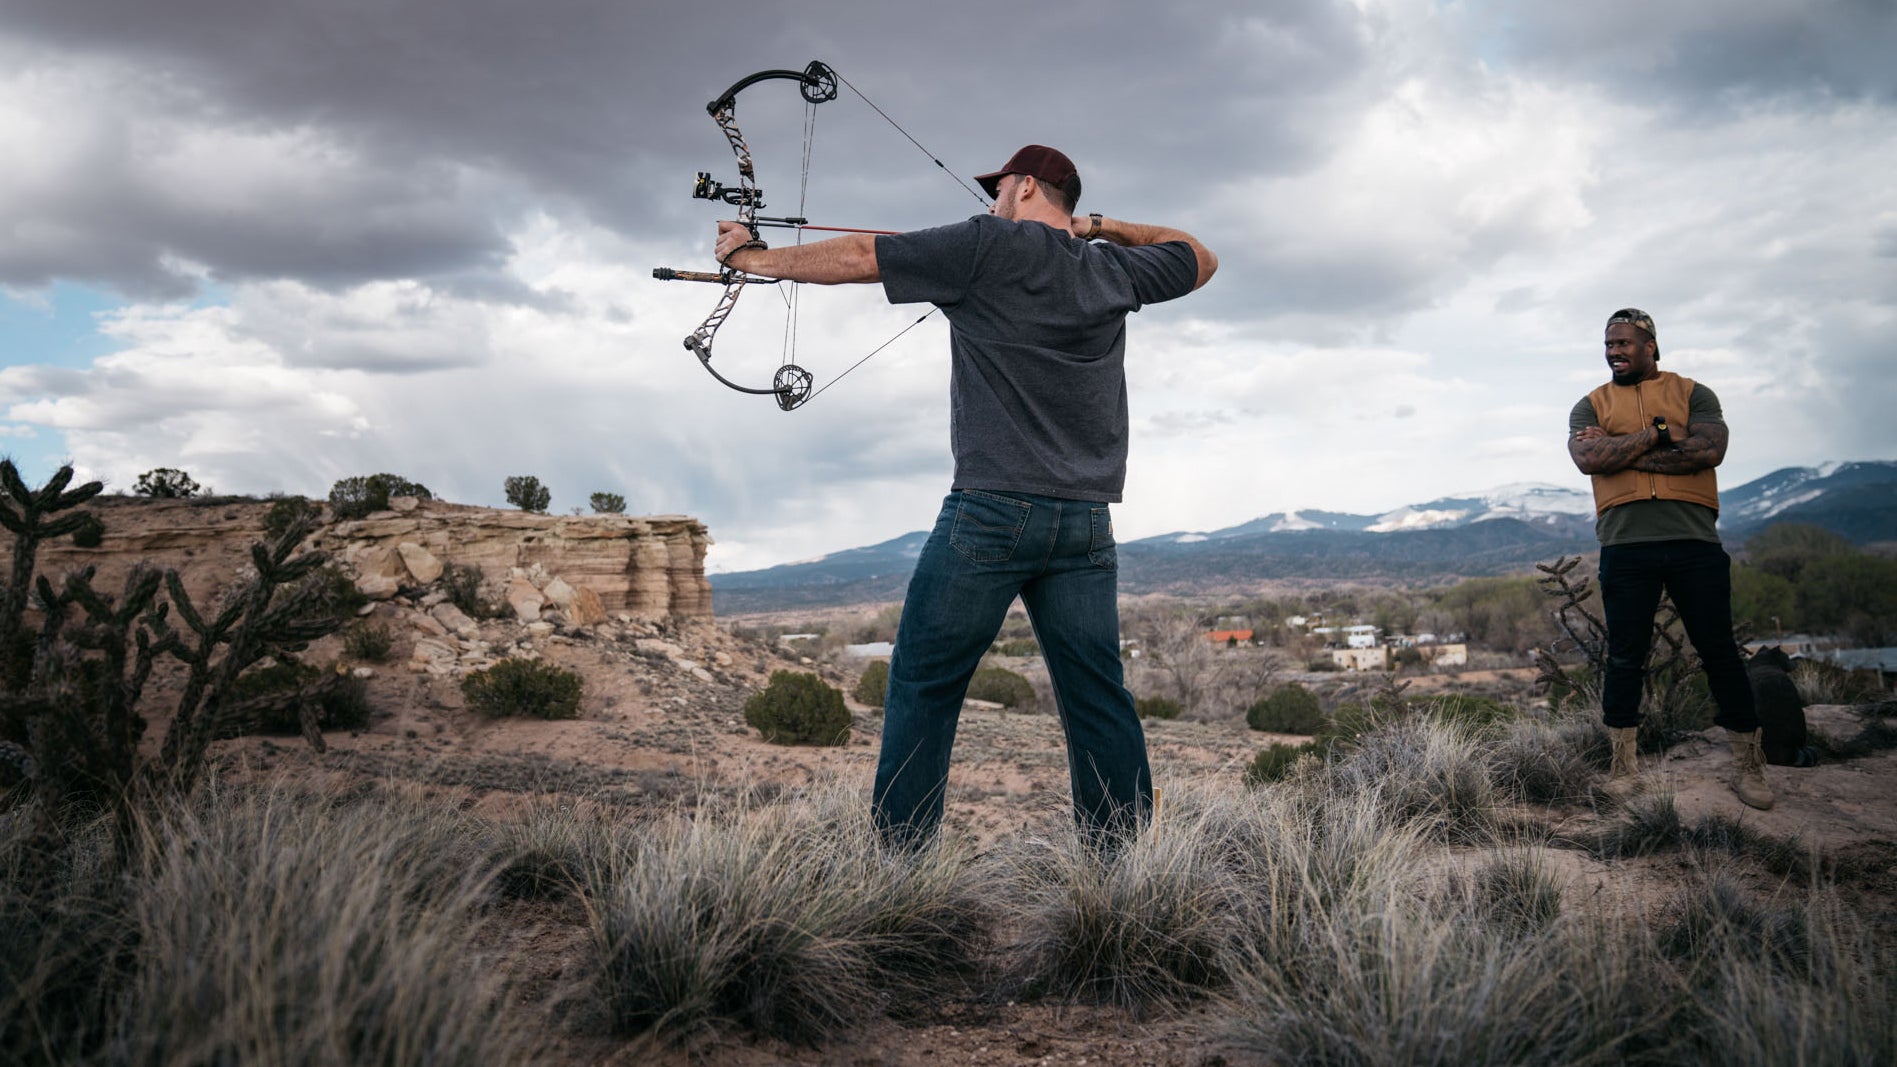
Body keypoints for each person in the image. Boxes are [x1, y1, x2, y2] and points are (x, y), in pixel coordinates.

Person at [714, 145, 1217, 850]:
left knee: (923, 681)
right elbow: (1197, 256)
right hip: (1085, 523)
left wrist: (752, 259)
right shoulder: (1112, 268)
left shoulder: (985, 244)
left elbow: (862, 255)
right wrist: (1100, 227)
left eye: (998, 187)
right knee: (1098, 698)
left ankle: (901, 871)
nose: (989, 200)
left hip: (992, 513)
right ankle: (1125, 870)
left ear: (1027, 187)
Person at [1567, 308, 1772, 809]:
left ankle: (1750, 767)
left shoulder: (1693, 393)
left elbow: (1709, 451)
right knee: (1624, 657)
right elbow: (1589, 460)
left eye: (1624, 344)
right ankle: (1623, 769)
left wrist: (1622, 449)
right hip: (1624, 544)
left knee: (1719, 651)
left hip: (1693, 541)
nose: (1614, 352)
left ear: (1651, 345)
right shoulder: (1590, 405)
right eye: (1609, 345)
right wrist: (1661, 435)